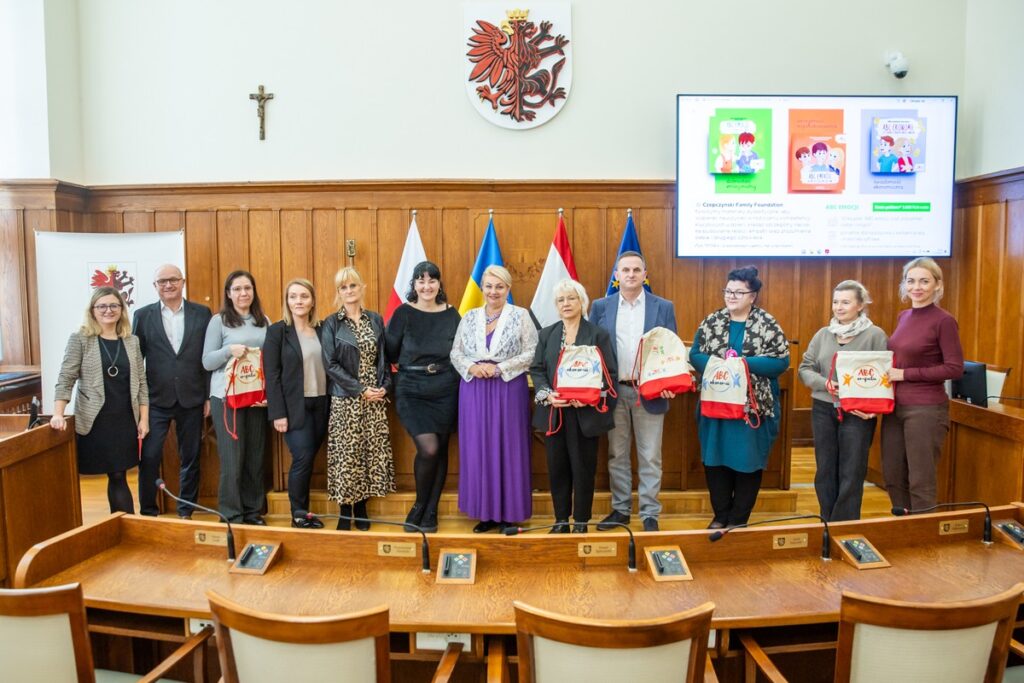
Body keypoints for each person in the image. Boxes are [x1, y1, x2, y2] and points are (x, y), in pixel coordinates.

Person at [691, 266, 789, 529]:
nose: (731, 296)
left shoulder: (768, 324)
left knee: (747, 462)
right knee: (715, 460)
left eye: (738, 292)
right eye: (728, 291)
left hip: (751, 408)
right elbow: (695, 355)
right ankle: (720, 515)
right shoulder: (711, 321)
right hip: (716, 403)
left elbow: (780, 362)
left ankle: (738, 519)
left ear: (753, 296)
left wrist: (742, 364)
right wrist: (721, 365)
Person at [590, 251, 678, 532]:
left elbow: (670, 349)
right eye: (625, 270)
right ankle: (621, 510)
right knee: (617, 454)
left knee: (650, 454)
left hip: (649, 392)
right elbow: (593, 351)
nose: (630, 274)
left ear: (644, 274)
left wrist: (667, 383)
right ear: (616, 275)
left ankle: (650, 513)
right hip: (615, 392)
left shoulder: (663, 307)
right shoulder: (600, 306)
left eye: (636, 270)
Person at [450, 265, 538, 533]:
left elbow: (532, 351)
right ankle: (485, 513)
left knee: (508, 447)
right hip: (474, 388)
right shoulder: (469, 317)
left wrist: (500, 368)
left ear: (508, 289)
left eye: (499, 286)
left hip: (508, 388)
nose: (493, 291)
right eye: (488, 286)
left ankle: (508, 513)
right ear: (482, 288)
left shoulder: (520, 315)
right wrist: (474, 367)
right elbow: (456, 352)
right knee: (479, 448)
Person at [51, 286, 149, 513]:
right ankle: (123, 528)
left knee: (119, 474)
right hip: (96, 420)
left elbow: (142, 383)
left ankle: (125, 528)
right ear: (93, 310)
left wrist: (144, 419)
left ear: (121, 310)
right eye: (102, 306)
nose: (108, 310)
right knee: (113, 473)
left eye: (114, 305)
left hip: (125, 419)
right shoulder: (81, 339)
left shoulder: (131, 341)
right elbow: (66, 378)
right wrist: (58, 413)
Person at [530, 279, 617, 534]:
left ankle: (580, 521)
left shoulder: (597, 334)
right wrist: (547, 395)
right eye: (561, 300)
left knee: (583, 468)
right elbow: (536, 369)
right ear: (556, 306)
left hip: (585, 414)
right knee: (557, 468)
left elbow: (609, 372)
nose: (566, 304)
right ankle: (560, 520)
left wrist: (589, 395)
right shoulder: (547, 334)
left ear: (582, 302)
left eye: (571, 298)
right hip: (555, 412)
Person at [798, 280, 888, 522]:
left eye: (845, 302)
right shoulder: (822, 334)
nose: (839, 307)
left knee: (851, 470)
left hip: (858, 412)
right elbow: (805, 368)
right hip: (823, 408)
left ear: (860, 305)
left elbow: (883, 374)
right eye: (836, 302)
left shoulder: (875, 335)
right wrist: (823, 384)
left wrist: (871, 409)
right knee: (825, 469)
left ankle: (844, 525)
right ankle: (827, 521)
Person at [385, 261, 461, 533]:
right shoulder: (403, 313)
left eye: (432, 280)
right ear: (414, 285)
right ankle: (419, 504)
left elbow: (462, 352)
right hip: (411, 388)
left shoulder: (453, 314)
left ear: (439, 284)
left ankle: (431, 511)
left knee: (440, 450)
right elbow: (390, 353)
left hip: (446, 387)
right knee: (428, 449)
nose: (427, 286)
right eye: (421, 280)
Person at [882, 257, 963, 511]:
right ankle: (904, 532)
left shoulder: (944, 320)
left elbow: (954, 368)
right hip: (894, 407)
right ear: (904, 285)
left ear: (937, 285)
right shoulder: (904, 316)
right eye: (911, 281)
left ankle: (924, 542)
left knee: (921, 480)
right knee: (893, 476)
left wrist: (904, 375)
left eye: (924, 281)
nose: (917, 287)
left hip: (926, 408)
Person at [132, 264, 211, 519]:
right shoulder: (143, 316)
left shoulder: (202, 313)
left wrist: (208, 395)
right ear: (155, 286)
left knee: (191, 457)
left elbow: (208, 359)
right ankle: (148, 511)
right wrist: (138, 401)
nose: (168, 285)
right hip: (156, 400)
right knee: (150, 456)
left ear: (183, 282)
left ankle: (185, 510)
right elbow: (136, 360)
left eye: (173, 280)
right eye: (162, 281)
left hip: (192, 397)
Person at [322, 267, 394, 530]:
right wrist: (359, 389)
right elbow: (330, 364)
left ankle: (361, 507)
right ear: (338, 292)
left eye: (353, 286)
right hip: (346, 400)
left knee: (367, 453)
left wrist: (384, 388)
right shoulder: (331, 323)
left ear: (362, 287)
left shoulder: (375, 320)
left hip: (374, 400)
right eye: (343, 287)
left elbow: (384, 361)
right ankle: (344, 509)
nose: (349, 291)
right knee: (346, 455)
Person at [202, 270, 270, 525]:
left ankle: (253, 511)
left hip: (256, 397)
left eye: (247, 288)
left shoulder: (264, 320)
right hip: (226, 399)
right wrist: (228, 351)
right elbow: (207, 361)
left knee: (255, 456)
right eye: (237, 289)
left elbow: (271, 361)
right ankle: (231, 514)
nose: (243, 293)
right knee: (232, 459)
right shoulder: (218, 322)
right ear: (228, 294)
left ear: (254, 292)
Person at [263, 278, 329, 529]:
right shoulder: (277, 331)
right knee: (302, 457)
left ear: (312, 301)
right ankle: (299, 514)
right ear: (287, 301)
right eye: (293, 296)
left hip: (322, 403)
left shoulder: (323, 329)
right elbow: (272, 375)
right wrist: (277, 413)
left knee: (310, 457)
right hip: (293, 407)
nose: (298, 301)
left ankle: (304, 511)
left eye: (304, 296)